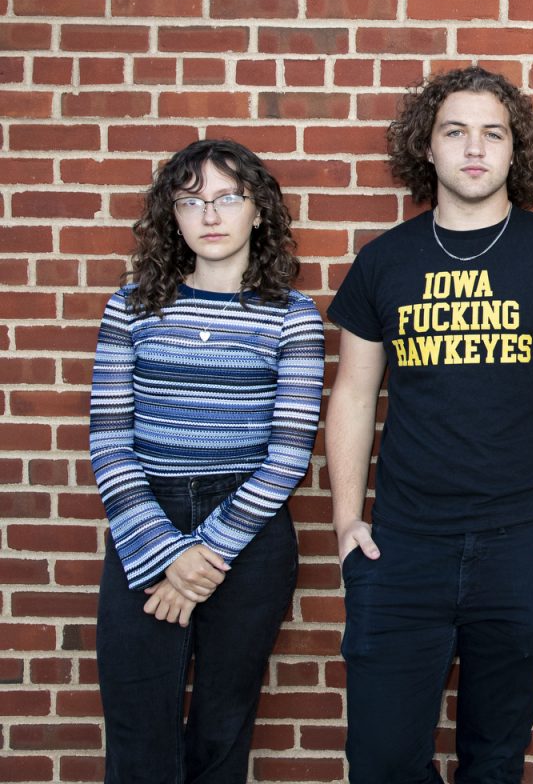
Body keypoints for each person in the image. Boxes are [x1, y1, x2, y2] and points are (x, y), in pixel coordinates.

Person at [326, 66, 533, 783]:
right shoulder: (385, 261)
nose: (473, 149)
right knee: (381, 762)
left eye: (492, 133)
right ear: (425, 148)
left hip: (523, 545)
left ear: (514, 150)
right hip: (402, 549)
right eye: (454, 131)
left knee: (493, 761)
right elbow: (354, 395)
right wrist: (345, 523)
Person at [89, 139, 324, 782]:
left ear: (258, 212)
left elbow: (288, 454)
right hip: (146, 519)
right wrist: (169, 553)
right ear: (173, 216)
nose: (210, 215)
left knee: (222, 731)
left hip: (247, 529)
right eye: (191, 201)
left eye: (227, 198)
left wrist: (209, 554)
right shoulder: (132, 308)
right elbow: (109, 441)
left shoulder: (292, 317)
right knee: (138, 729)